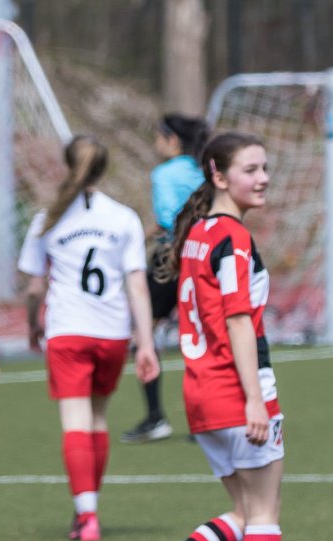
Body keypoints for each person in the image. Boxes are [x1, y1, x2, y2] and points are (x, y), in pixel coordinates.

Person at [127, 131, 312, 541]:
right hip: (235, 390)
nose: (264, 178)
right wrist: (255, 398)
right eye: (251, 169)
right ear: (218, 174)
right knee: (266, 512)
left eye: (265, 167)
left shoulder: (200, 233)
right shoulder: (231, 236)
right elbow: (236, 320)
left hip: (201, 393)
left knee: (245, 512)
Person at [19, 135, 159, 541]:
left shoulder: (49, 217)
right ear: (105, 167)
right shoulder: (124, 218)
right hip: (112, 333)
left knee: (76, 422)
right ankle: (90, 505)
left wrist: (32, 323)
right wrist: (146, 342)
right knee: (98, 420)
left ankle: (87, 514)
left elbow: (33, 288)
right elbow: (137, 286)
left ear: (67, 164)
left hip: (67, 331)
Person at [122, 113, 209, 445]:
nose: (156, 144)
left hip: (169, 258)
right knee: (200, 336)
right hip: (202, 255)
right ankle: (205, 421)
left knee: (144, 334)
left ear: (172, 140)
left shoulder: (164, 174)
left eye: (159, 137)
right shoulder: (202, 170)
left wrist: (137, 240)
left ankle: (156, 416)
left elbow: (167, 219)